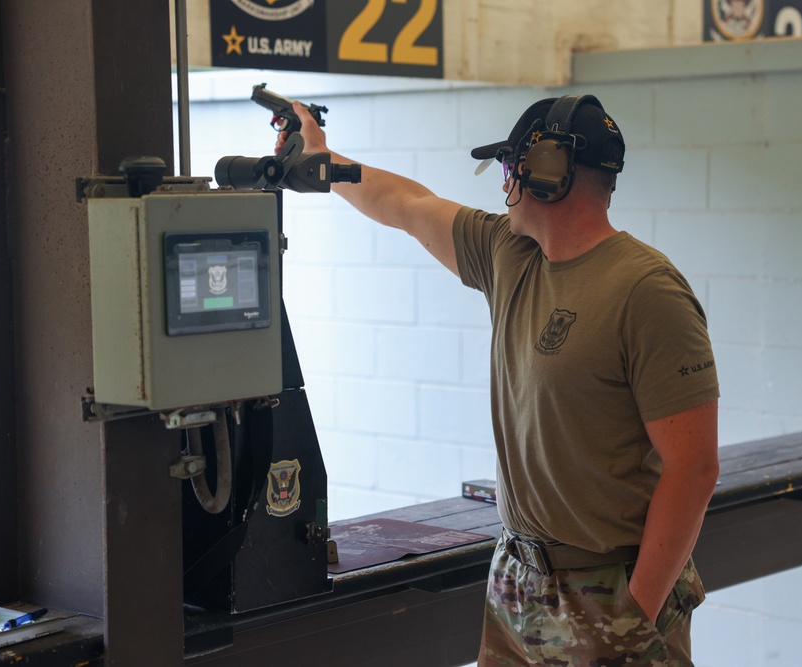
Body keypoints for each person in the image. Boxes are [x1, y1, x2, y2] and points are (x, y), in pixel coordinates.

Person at [279, 94, 720, 666]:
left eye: (511, 167)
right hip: (517, 579)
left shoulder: (647, 290)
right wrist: (322, 160)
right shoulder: (511, 254)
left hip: (608, 585)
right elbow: (408, 204)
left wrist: (634, 611)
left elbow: (694, 467)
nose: (504, 182)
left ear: (546, 175)